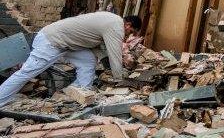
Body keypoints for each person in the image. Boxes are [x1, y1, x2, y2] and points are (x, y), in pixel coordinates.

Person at [0, 12, 141, 107]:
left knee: (88, 61)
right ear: (128, 25)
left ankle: (80, 94)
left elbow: (100, 49)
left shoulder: (111, 19)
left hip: (65, 44)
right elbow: (114, 53)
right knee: (26, 73)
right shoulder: (116, 26)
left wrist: (108, 67)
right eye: (131, 32)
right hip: (52, 42)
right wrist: (119, 79)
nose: (129, 35)